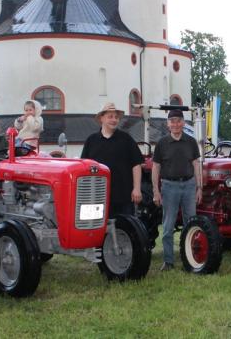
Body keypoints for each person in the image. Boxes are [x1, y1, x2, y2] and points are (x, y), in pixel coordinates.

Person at [152, 109, 202, 271]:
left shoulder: (191, 142)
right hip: (169, 186)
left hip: (189, 185)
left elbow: (196, 165)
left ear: (183, 123)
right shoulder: (162, 143)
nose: (175, 124)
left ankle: (190, 258)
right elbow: (156, 167)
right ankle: (168, 261)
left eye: (178, 120)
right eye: (172, 121)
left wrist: (199, 188)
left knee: (191, 224)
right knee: (168, 226)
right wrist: (155, 190)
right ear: (168, 124)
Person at [81, 103, 144, 217]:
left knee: (126, 229)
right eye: (110, 116)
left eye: (116, 117)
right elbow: (85, 168)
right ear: (101, 118)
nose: (114, 120)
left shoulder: (126, 139)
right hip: (98, 197)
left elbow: (136, 164)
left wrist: (137, 189)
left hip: (124, 196)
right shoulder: (91, 141)